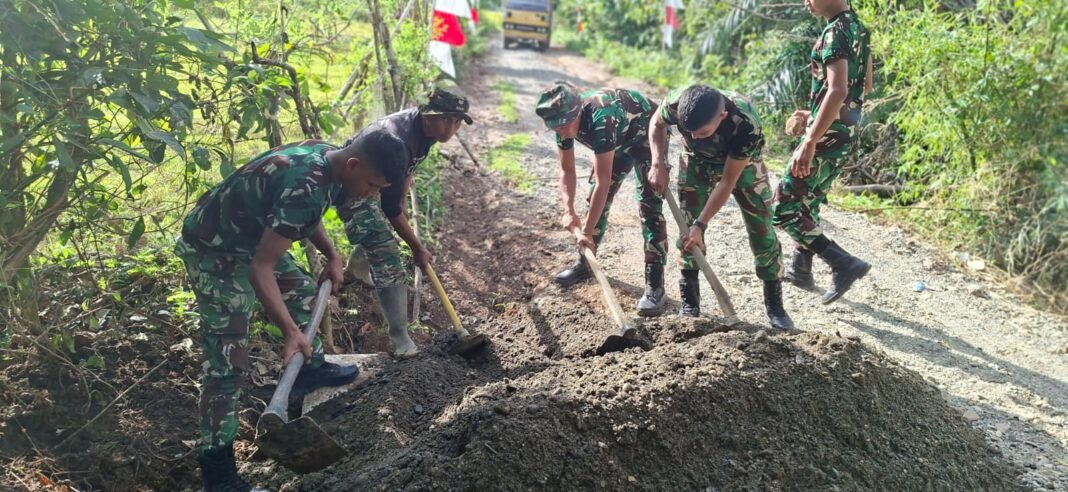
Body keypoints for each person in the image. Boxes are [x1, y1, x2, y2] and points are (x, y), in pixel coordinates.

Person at [175, 132, 407, 492]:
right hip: (214, 249)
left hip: (249, 238)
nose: (371, 194)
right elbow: (260, 269)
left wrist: (331, 254)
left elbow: (305, 215)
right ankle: (217, 474)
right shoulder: (308, 182)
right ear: (354, 165)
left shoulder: (328, 159)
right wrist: (290, 333)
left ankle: (308, 372)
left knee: (301, 293)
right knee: (227, 358)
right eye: (372, 185)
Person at [337, 86, 473, 356]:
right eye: (446, 119)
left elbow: (409, 169)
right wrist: (417, 248)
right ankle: (400, 339)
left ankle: (355, 268)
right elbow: (389, 209)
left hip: (376, 180)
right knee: (387, 251)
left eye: (457, 121)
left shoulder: (428, 132)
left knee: (385, 230)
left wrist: (401, 200)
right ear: (429, 115)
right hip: (349, 184)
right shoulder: (398, 138)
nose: (451, 128)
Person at [649, 84, 795, 330]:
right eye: (689, 131)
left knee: (762, 228)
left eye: (702, 131)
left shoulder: (746, 123)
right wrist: (657, 163)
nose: (694, 136)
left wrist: (701, 224)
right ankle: (690, 302)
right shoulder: (677, 104)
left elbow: (728, 181)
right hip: (696, 161)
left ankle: (775, 306)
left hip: (742, 165)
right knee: (687, 227)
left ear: (722, 117)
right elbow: (656, 124)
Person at [535, 81, 669, 316]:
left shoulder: (601, 120)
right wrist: (568, 209)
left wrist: (586, 232)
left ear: (577, 112)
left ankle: (655, 285)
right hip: (619, 138)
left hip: (646, 135)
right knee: (594, 202)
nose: (564, 132)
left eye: (566, 125)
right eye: (557, 128)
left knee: (649, 205)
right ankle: (586, 263)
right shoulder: (562, 123)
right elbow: (567, 170)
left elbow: (603, 183)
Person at [773, 0, 873, 304]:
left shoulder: (834, 34)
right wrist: (815, 113)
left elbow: (838, 90)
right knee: (809, 198)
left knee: (784, 207)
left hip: (825, 137)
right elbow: (864, 86)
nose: (806, 1)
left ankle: (842, 263)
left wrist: (811, 138)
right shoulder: (859, 29)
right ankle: (800, 269)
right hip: (844, 134)